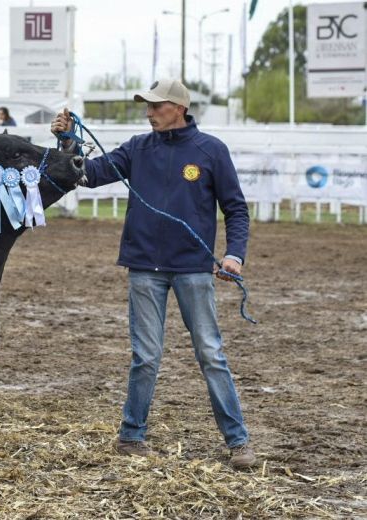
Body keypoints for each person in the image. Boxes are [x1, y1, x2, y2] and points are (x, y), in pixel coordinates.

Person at [50, 78, 256, 470]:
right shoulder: (136, 148)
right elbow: (89, 175)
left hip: (194, 268)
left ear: (179, 107)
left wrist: (234, 256)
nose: (149, 112)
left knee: (210, 354)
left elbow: (236, 209)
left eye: (156, 106)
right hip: (145, 267)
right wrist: (68, 142)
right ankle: (131, 436)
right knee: (145, 356)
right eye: (146, 106)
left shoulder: (211, 151)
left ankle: (238, 441)